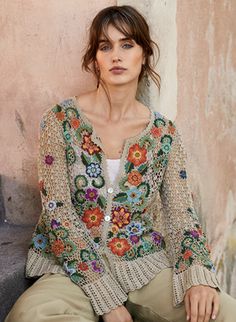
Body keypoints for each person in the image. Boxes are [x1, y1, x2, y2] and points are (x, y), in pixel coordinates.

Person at [5, 5, 236, 322]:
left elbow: (182, 212)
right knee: (30, 317)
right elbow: (58, 214)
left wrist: (198, 273)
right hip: (73, 272)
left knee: (224, 313)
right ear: (94, 59)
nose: (116, 55)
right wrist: (105, 296)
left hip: (144, 266)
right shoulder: (60, 121)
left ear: (144, 54)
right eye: (105, 46)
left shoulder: (162, 133)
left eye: (127, 44)